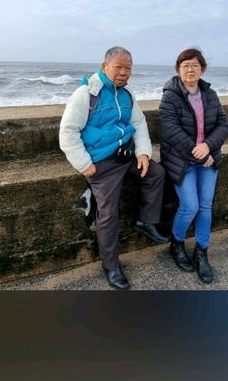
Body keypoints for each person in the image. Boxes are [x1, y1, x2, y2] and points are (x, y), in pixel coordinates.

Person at [59, 46, 167, 290]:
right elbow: (67, 132)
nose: (123, 72)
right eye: (118, 67)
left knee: (156, 173)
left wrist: (142, 153)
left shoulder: (127, 95)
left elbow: (138, 123)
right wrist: (84, 164)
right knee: (108, 213)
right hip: (101, 163)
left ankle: (146, 221)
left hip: (125, 155)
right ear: (104, 66)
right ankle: (111, 266)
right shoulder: (86, 94)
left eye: (128, 68)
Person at [158, 47, 228, 284]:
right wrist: (199, 153)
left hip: (208, 158)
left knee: (206, 206)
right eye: (185, 64)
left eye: (195, 64)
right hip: (182, 161)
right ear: (178, 69)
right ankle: (176, 244)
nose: (190, 68)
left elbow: (223, 124)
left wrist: (208, 146)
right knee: (190, 206)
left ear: (203, 68)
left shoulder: (210, 94)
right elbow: (169, 131)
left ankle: (201, 252)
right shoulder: (170, 95)